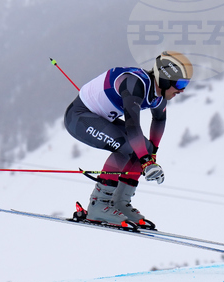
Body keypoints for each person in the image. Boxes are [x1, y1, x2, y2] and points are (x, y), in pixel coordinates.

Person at [63, 51, 193, 230]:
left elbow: (159, 120)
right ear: (164, 79)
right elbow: (133, 127)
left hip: (98, 118)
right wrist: (146, 161)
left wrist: (151, 156)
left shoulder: (158, 95)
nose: (183, 89)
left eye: (186, 83)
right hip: (78, 118)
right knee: (128, 146)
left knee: (144, 148)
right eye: (180, 83)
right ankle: (98, 204)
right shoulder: (135, 84)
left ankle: (119, 202)